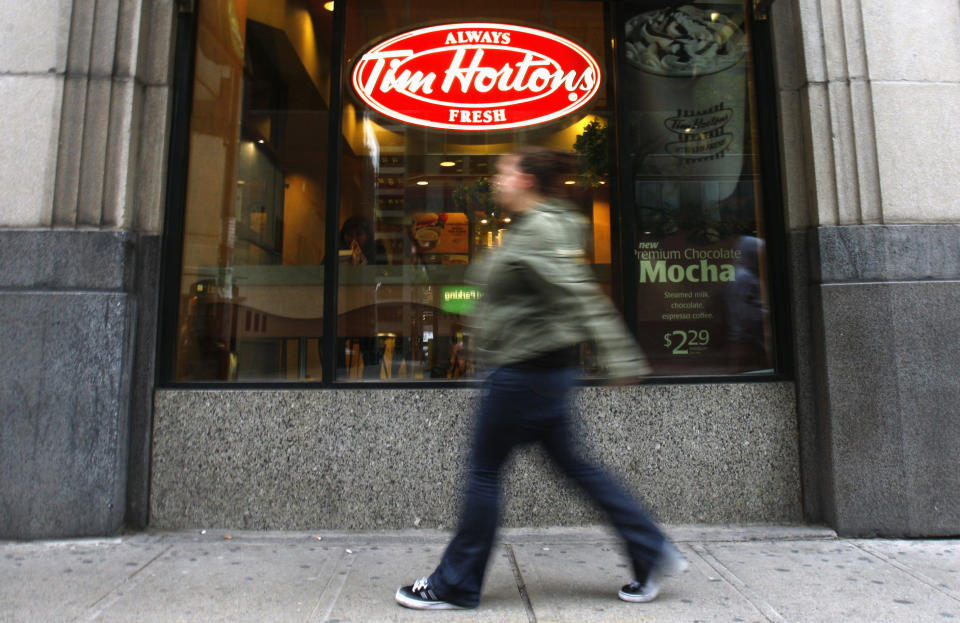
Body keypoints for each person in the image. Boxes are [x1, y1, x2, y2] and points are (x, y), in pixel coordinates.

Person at [395, 147, 687, 610]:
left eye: (503, 172)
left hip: (525, 374)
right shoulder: (534, 228)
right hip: (540, 373)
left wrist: (621, 357)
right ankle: (651, 550)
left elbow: (578, 294)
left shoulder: (540, 230)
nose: (496, 180)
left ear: (526, 179)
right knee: (579, 469)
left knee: (484, 473)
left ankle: (455, 583)